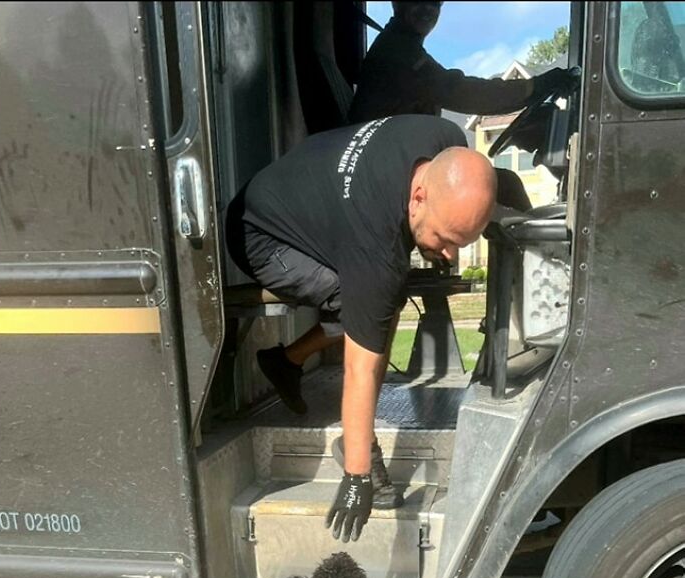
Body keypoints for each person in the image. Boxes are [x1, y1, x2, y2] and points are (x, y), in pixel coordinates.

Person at [226, 115, 496, 542]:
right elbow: (361, 369)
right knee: (363, 303)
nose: (447, 254)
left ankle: (286, 361)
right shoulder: (378, 249)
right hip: (259, 233)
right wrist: (355, 477)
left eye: (461, 244)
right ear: (419, 196)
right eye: (446, 238)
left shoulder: (446, 140)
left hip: (298, 194)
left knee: (373, 302)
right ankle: (359, 445)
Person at [349, 1, 572, 211]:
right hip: (386, 179)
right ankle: (537, 252)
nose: (428, 8)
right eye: (418, 0)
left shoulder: (401, 46)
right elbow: (465, 93)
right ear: (397, 3)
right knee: (507, 187)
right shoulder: (398, 53)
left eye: (435, 2)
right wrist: (538, 86)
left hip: (391, 169)